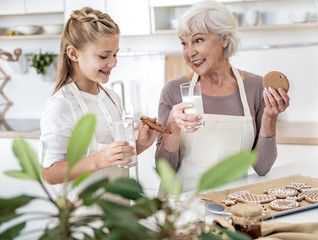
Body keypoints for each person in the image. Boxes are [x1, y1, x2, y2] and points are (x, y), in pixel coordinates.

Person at [155, 1, 290, 192]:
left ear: (224, 39)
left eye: (198, 40)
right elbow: (165, 171)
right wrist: (172, 127)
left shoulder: (255, 88)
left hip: (232, 204)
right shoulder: (174, 91)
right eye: (184, 43)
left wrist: (270, 116)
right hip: (182, 208)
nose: (189, 53)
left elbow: (262, 167)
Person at [39, 7, 158, 198]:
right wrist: (98, 160)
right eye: (104, 56)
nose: (113, 63)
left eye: (115, 54)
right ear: (74, 54)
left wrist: (139, 145)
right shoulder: (61, 104)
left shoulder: (112, 97)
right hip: (85, 216)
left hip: (119, 209)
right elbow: (49, 173)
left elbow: (114, 157)